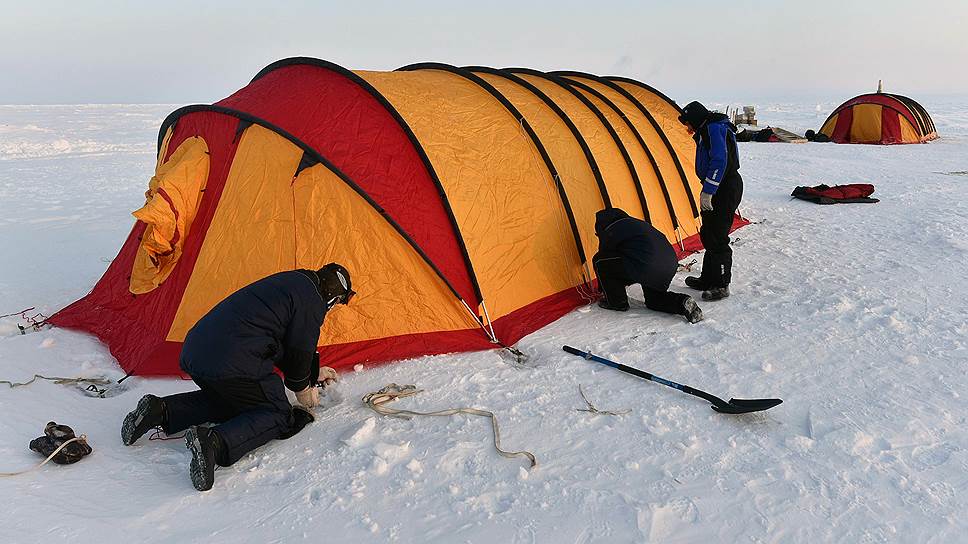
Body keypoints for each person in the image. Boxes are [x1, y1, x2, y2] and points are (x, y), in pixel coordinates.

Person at [120, 263, 355, 491]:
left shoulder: (292, 281)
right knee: (277, 413)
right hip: (233, 359)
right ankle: (213, 444)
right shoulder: (312, 302)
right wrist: (305, 392)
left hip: (196, 351)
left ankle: (161, 409)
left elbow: (280, 342)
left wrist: (314, 372)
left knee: (236, 400)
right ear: (333, 299)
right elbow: (299, 352)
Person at [678, 101, 744, 300]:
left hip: (724, 187)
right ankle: (708, 278)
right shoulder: (707, 129)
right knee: (708, 233)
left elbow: (719, 160)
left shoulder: (714, 129)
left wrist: (709, 190)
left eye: (688, 123)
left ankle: (721, 284)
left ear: (696, 119)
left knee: (718, 237)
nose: (688, 128)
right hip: (716, 186)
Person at [592, 208, 703, 324]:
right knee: (654, 300)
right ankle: (682, 302)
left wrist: (604, 288)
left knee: (599, 261)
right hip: (668, 264)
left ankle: (616, 302)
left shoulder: (611, 229)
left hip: (646, 265)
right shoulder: (635, 224)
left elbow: (605, 255)